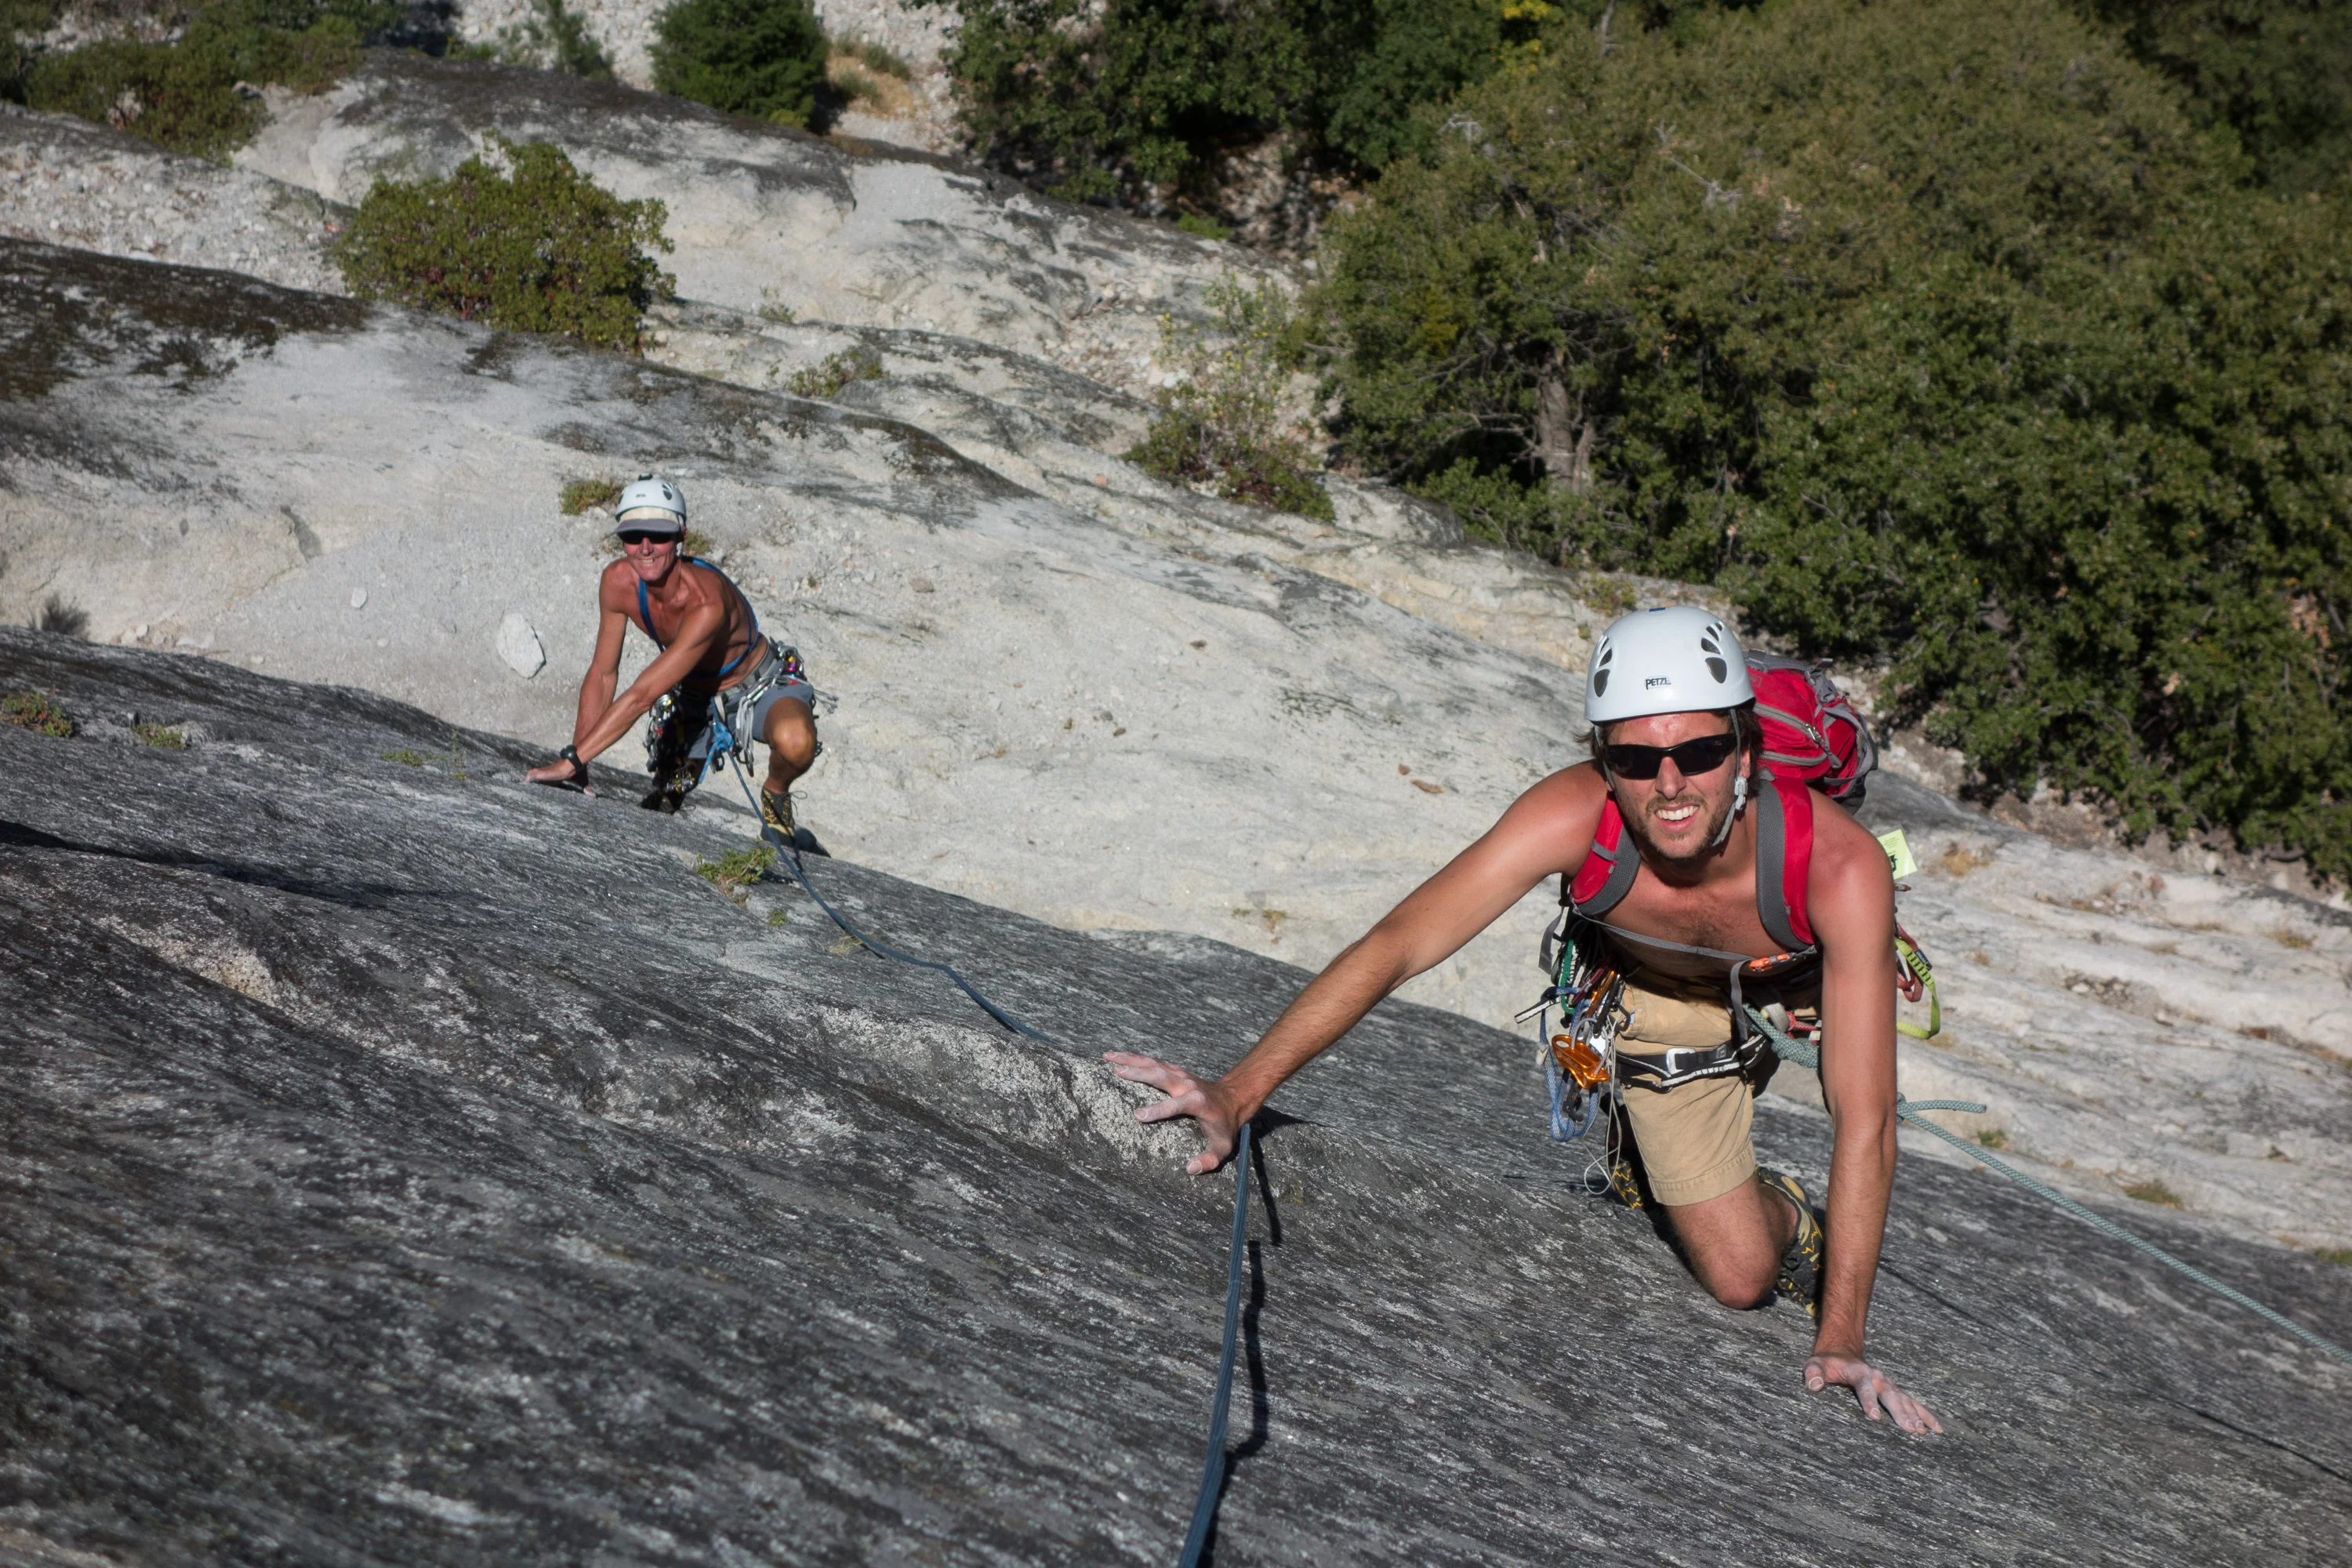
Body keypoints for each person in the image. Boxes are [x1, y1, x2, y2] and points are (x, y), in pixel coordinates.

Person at [1106, 607, 1942, 1435]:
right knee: (1738, 1277)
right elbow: (1402, 942)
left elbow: (1864, 1118)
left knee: (1828, 1078)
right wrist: (1240, 1091)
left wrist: (1842, 1340)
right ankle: (1780, 1211)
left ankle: (1748, 1170)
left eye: (1700, 751)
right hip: (1657, 993)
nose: (1672, 783)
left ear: (1746, 751)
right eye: (1636, 757)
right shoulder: (1572, 815)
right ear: (1602, 763)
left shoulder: (1838, 865)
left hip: (1795, 977)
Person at [526, 476, 818, 843]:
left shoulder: (706, 601)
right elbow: (603, 673)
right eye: (633, 536)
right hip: (693, 695)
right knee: (668, 795)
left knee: (797, 742)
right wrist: (579, 768)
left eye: (659, 535)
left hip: (756, 687)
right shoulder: (618, 583)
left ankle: (776, 794)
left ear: (681, 535)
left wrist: (570, 761)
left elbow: (642, 695)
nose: (645, 548)